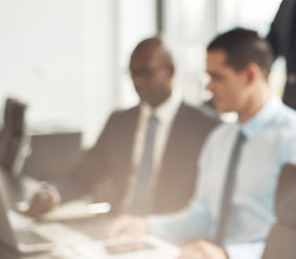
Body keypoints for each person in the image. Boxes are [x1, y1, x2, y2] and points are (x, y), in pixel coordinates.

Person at [109, 28, 296, 259]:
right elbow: (202, 217)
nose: (208, 87)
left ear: (250, 75)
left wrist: (230, 257)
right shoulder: (219, 138)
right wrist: (147, 226)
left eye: (217, 77)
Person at [27, 36, 219, 216]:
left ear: (169, 71)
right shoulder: (119, 122)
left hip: (170, 238)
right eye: (132, 73)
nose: (136, 81)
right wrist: (53, 193)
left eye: (144, 72)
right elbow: (84, 175)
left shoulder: (205, 128)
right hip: (115, 231)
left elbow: (205, 205)